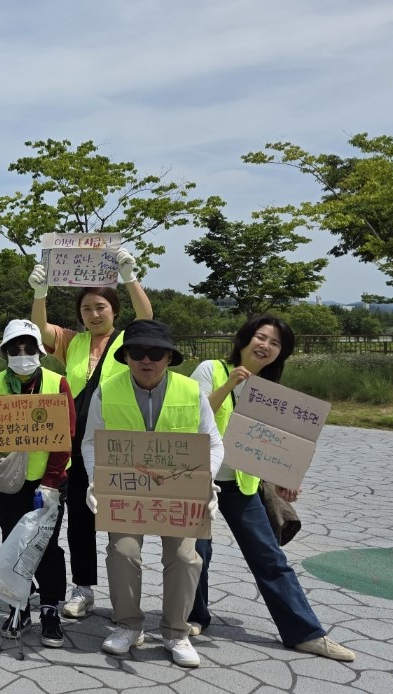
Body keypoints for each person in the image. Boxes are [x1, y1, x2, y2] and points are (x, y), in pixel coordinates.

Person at [186, 316, 355, 661]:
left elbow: (273, 448)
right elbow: (190, 420)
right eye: (261, 337)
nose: (265, 345)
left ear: (280, 354)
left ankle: (306, 632)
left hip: (241, 485)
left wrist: (283, 480)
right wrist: (228, 383)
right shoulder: (211, 369)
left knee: (270, 557)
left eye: (275, 343)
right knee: (196, 554)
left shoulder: (270, 394)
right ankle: (193, 617)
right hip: (199, 477)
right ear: (245, 339)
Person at [82, 319, 220, 668]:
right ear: (126, 356)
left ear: (169, 357)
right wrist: (95, 480)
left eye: (156, 353)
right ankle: (128, 625)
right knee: (123, 552)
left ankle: (176, 632)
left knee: (186, 557)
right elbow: (90, 441)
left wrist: (207, 480)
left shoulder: (191, 392)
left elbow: (213, 441)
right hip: (125, 491)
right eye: (137, 352)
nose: (147, 360)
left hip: (180, 494)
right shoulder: (106, 390)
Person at [29, 248, 151, 619]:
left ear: (114, 310)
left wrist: (129, 276)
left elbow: (146, 317)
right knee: (79, 521)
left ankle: (125, 598)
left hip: (117, 443)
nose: (94, 314)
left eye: (101, 307)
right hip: (75, 446)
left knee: (120, 524)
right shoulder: (73, 341)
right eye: (86, 309)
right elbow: (40, 330)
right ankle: (83, 588)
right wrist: (40, 292)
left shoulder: (127, 340)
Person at [0, 320, 74, 646]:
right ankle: (18, 605)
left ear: (40, 351)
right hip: (10, 482)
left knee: (46, 546)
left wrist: (50, 482)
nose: (22, 355)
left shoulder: (57, 383)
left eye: (29, 348)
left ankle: (50, 609)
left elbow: (65, 436)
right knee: (13, 542)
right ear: (5, 353)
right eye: (15, 349)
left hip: (48, 481)